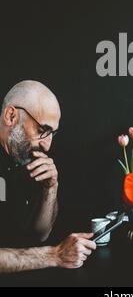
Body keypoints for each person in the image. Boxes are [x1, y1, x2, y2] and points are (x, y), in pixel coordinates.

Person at [0, 80, 96, 273]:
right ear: (11, 116)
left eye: (52, 133)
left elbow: (40, 234)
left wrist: (51, 188)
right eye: (42, 131)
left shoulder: (21, 156)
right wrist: (54, 255)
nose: (47, 146)